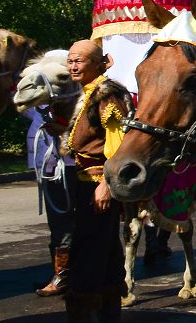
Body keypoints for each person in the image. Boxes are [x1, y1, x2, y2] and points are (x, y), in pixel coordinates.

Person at [64, 40, 131, 322]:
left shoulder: (107, 93)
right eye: (70, 61)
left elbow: (116, 144)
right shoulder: (89, 92)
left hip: (98, 184)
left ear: (97, 63)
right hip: (84, 182)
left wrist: (106, 184)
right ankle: (106, 309)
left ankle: (88, 309)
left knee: (91, 248)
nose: (73, 66)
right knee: (104, 247)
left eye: (79, 60)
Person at [23, 104, 77, 297]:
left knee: (65, 222)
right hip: (49, 170)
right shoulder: (41, 104)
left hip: (69, 168)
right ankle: (61, 272)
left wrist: (63, 124)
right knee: (57, 223)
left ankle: (66, 276)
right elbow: (20, 102)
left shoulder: (71, 100)